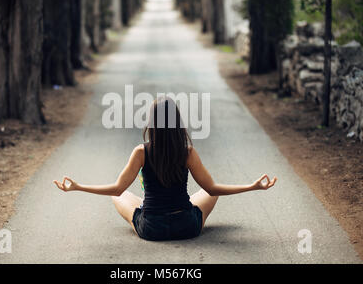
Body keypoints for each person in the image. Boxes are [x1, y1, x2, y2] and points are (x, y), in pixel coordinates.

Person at [54, 97, 277, 241]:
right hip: (187, 226)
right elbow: (212, 188)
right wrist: (253, 186)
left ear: (152, 124)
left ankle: (149, 206)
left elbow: (116, 189)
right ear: (177, 123)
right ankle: (167, 207)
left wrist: (78, 187)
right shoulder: (187, 152)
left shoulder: (141, 152)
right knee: (211, 192)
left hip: (152, 229)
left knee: (119, 196)